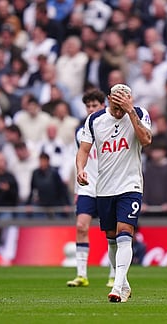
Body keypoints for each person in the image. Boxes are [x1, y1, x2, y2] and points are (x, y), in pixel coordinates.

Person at [76, 84, 152, 303]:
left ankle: (117, 287)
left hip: (130, 186)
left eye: (122, 105)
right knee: (111, 239)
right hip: (105, 187)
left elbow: (146, 140)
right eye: (115, 106)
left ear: (129, 100)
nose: (118, 111)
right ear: (108, 99)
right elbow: (83, 150)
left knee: (125, 232)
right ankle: (124, 283)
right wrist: (80, 170)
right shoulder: (94, 120)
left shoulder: (138, 114)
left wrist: (129, 112)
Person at [67, 89, 115, 288]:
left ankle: (114, 275)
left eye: (95, 106)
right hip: (87, 186)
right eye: (88, 106)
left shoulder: (113, 127)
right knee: (81, 226)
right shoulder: (82, 131)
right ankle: (82, 275)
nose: (91, 109)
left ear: (103, 106)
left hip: (110, 186)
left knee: (112, 234)